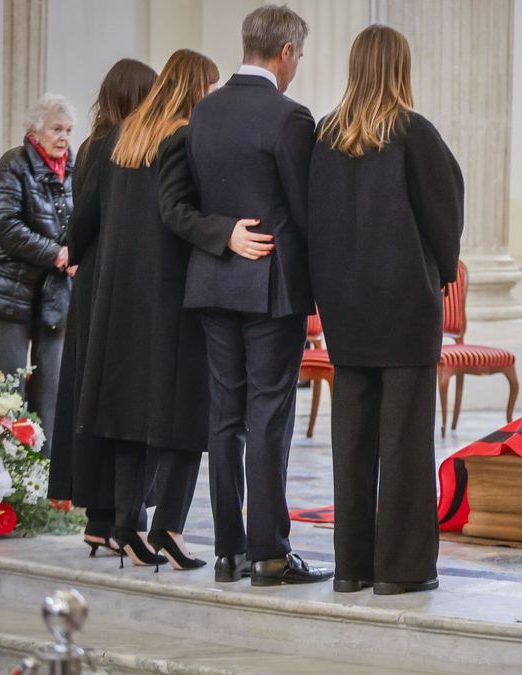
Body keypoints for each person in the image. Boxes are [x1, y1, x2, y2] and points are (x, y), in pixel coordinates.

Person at [308, 25, 463, 595]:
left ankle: (351, 567)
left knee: (350, 441)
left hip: (344, 309)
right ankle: (401, 570)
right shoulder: (412, 132)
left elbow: (313, 223)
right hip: (403, 306)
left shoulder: (324, 134)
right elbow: (444, 214)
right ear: (400, 67)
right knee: (403, 441)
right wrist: (441, 272)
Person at [183, 4, 331, 586]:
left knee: (225, 418)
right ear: (287, 52)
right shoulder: (289, 117)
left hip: (214, 280)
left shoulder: (204, 112)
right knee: (268, 417)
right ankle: (269, 551)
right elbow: (307, 211)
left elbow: (193, 199)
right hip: (271, 288)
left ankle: (228, 552)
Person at [71, 49, 230, 571]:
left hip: (118, 298)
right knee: (188, 415)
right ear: (196, 88)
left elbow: (86, 218)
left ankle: (125, 527)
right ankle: (168, 528)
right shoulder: (183, 137)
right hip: (172, 296)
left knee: (126, 415)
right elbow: (182, 214)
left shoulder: (120, 139)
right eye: (210, 85)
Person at [47, 59, 157, 558]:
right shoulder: (133, 148)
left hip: (91, 287)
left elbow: (80, 223)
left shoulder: (92, 145)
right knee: (122, 398)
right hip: (126, 289)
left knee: (90, 398)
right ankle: (118, 518)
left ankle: (98, 520)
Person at [0, 94, 76, 458]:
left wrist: (77, 252)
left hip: (56, 292)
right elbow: (5, 224)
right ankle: (10, 467)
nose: (64, 137)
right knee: (9, 385)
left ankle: (47, 475)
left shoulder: (74, 167)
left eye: (68, 129)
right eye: (56, 129)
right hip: (13, 288)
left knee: (51, 386)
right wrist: (56, 253)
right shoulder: (14, 164)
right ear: (34, 130)